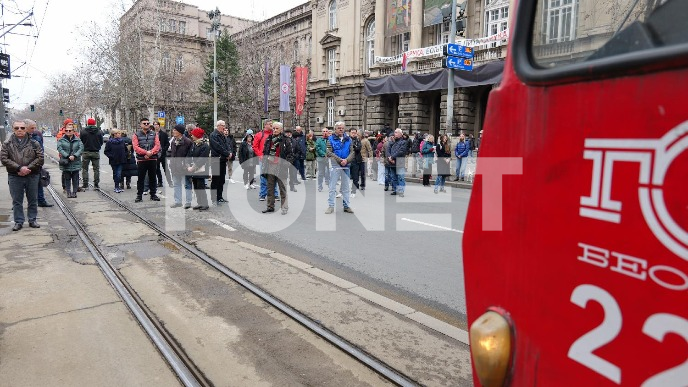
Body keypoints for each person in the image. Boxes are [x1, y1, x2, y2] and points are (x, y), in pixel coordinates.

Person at [1, 121, 45, 231]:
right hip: (14, 175)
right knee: (17, 200)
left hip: (32, 175)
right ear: (13, 129)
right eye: (16, 128)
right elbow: (4, 159)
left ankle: (32, 219)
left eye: (22, 128)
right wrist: (19, 168)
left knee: (32, 199)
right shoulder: (7, 143)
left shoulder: (34, 143)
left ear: (26, 129)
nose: (19, 130)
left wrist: (28, 168)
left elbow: (40, 158)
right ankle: (19, 221)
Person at [261, 122, 292, 215]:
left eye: (277, 128)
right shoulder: (269, 139)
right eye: (273, 128)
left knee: (282, 188)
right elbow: (265, 151)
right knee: (270, 188)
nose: (274, 130)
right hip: (270, 166)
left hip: (281, 167)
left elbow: (290, 154)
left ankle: (284, 207)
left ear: (281, 130)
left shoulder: (285, 140)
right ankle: (270, 207)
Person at [325, 121, 354, 214]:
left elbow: (352, 152)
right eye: (339, 128)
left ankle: (346, 206)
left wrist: (346, 160)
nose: (341, 129)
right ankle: (331, 206)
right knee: (332, 187)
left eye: (342, 128)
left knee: (345, 187)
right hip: (335, 165)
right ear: (335, 129)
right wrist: (340, 160)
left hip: (346, 165)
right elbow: (329, 152)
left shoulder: (348, 139)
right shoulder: (330, 139)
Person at [25, 119, 53, 207]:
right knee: (23, 185)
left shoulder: (37, 135)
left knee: (39, 183)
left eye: (35, 127)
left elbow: (41, 150)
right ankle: (18, 204)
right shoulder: (21, 137)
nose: (34, 130)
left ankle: (41, 201)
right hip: (24, 165)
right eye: (31, 128)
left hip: (36, 165)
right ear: (25, 128)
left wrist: (39, 162)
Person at [132, 118, 161, 202]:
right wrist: (145, 152)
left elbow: (157, 145)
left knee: (152, 177)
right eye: (144, 123)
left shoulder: (154, 134)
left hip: (152, 159)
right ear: (140, 125)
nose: (146, 125)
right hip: (141, 160)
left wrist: (150, 153)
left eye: (148, 123)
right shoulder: (136, 135)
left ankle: (153, 194)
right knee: (141, 178)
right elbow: (136, 147)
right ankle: (139, 195)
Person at [169, 124, 193, 209]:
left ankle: (188, 202)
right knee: (176, 184)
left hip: (184, 167)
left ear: (179, 132)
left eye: (175, 130)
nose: (173, 131)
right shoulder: (173, 141)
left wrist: (185, 164)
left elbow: (189, 155)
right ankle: (178, 201)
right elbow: (171, 153)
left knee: (187, 184)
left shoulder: (187, 142)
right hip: (175, 166)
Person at [57, 122, 84, 198]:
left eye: (70, 130)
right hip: (66, 161)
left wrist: (75, 155)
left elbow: (81, 148)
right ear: (65, 131)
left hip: (76, 161)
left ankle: (74, 192)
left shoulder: (78, 140)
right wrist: (67, 156)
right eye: (67, 130)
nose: (68, 132)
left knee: (75, 178)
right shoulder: (61, 140)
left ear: (73, 131)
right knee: (67, 178)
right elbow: (60, 148)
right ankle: (68, 192)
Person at [253, 120, 278, 201]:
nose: (271, 126)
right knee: (264, 177)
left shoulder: (274, 134)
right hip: (263, 159)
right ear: (265, 125)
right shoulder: (259, 135)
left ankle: (275, 193)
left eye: (272, 124)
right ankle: (263, 194)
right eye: (270, 124)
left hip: (273, 158)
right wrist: (260, 155)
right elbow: (255, 146)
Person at [187, 128, 210, 211]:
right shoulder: (194, 144)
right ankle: (199, 203)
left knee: (200, 187)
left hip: (201, 170)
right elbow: (189, 155)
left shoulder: (205, 146)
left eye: (193, 134)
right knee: (196, 187)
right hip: (193, 169)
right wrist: (188, 165)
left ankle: (205, 204)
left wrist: (193, 167)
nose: (191, 136)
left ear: (197, 135)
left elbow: (202, 159)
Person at [80, 117, 104, 189]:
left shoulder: (83, 131)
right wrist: (97, 146)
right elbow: (101, 142)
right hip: (95, 152)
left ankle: (85, 184)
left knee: (85, 169)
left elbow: (81, 141)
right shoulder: (99, 131)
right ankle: (96, 184)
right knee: (96, 169)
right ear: (94, 123)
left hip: (86, 152)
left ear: (87, 123)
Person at [388, 128, 408, 197]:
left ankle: (401, 191)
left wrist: (392, 157)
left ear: (400, 134)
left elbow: (401, 152)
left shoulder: (404, 142)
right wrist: (389, 158)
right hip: (392, 162)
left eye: (396, 132)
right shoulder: (392, 142)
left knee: (400, 177)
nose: (394, 134)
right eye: (394, 132)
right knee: (394, 177)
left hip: (399, 162)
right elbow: (388, 150)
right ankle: (396, 190)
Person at [153, 121, 173, 188]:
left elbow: (167, 143)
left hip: (163, 154)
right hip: (155, 154)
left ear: (159, 125)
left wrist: (164, 149)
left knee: (166, 169)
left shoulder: (163, 134)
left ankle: (170, 182)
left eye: (156, 125)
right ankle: (160, 182)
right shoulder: (152, 134)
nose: (155, 126)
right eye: (154, 125)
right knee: (157, 169)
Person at [348, 128, 365, 198]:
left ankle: (353, 191)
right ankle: (343, 191)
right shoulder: (347, 140)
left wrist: (354, 147)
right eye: (352, 132)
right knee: (345, 177)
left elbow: (359, 148)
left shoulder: (357, 140)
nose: (354, 134)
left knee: (355, 177)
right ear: (349, 133)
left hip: (356, 160)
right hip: (348, 160)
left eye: (355, 132)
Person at [283, 127, 299, 192]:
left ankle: (292, 186)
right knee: (284, 174)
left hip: (292, 159)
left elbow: (298, 150)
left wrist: (295, 156)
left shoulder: (294, 141)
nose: (288, 134)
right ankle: (284, 187)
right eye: (287, 133)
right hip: (285, 159)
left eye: (289, 133)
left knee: (292, 174)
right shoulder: (283, 140)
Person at [315, 128, 330, 192]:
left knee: (329, 172)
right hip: (321, 158)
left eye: (326, 131)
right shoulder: (319, 140)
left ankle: (330, 185)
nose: (325, 132)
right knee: (321, 173)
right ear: (322, 133)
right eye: (324, 131)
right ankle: (320, 186)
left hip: (329, 158)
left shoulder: (331, 139)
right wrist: (324, 154)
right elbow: (318, 148)